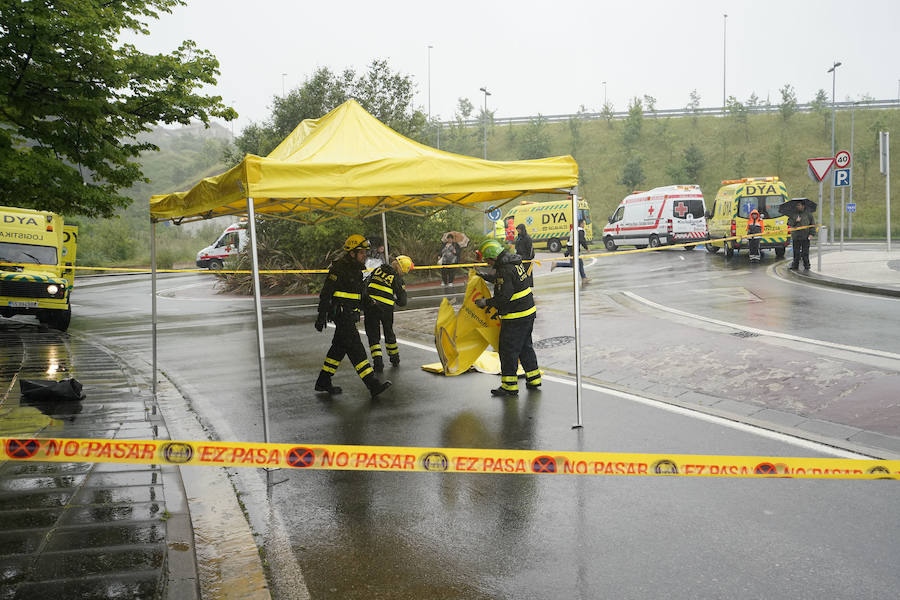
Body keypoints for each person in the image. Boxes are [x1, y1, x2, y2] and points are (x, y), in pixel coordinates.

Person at [314, 234, 392, 398]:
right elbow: (326, 293)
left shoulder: (357, 270)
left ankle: (323, 381)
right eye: (362, 252)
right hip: (342, 316)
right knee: (357, 350)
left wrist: (372, 306)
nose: (365, 255)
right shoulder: (338, 269)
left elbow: (360, 294)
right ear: (352, 253)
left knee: (338, 350)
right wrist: (321, 315)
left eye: (365, 252)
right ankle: (373, 385)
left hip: (351, 315)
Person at [473, 239, 541, 397]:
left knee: (508, 350)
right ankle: (534, 379)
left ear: (493, 257)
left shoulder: (504, 269)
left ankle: (509, 386)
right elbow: (506, 282)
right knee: (525, 347)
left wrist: (486, 302)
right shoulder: (513, 262)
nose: (487, 263)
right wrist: (484, 276)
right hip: (527, 313)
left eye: (487, 260)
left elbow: (504, 296)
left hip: (515, 317)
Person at [364, 255, 413, 371]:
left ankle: (378, 363)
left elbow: (366, 285)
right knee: (389, 332)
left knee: (373, 335)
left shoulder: (377, 270)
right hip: (386, 309)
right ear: (402, 269)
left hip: (370, 306)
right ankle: (394, 358)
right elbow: (402, 301)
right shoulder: (396, 278)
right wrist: (395, 300)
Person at [789, 200, 815, 271]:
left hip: (805, 237)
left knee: (805, 252)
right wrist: (796, 221)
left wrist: (811, 234)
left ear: (803, 206)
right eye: (797, 205)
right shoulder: (793, 214)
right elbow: (789, 223)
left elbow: (812, 225)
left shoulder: (808, 214)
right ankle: (795, 265)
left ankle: (807, 265)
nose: (797, 206)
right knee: (796, 253)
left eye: (799, 205)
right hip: (796, 237)